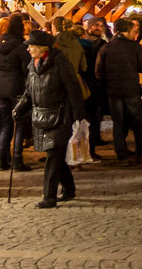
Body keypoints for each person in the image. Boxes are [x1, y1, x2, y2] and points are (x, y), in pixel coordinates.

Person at [14, 29, 86, 208]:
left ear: (42, 47)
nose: (28, 49)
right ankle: (69, 189)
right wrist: (19, 108)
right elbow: (29, 91)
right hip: (40, 116)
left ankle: (49, 197)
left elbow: (73, 89)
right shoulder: (33, 64)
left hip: (59, 116)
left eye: (31, 46)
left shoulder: (60, 62)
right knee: (56, 156)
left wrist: (79, 116)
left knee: (53, 156)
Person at [96, 17, 142, 165]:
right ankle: (141, 151)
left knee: (118, 122)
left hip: (113, 91)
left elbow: (99, 71)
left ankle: (121, 154)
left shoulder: (106, 48)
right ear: (127, 30)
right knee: (137, 121)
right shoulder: (134, 47)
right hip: (131, 90)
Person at [0, 16, 31, 171]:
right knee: (18, 124)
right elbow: (26, 69)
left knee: (6, 124)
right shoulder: (21, 45)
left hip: (0, 87)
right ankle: (18, 159)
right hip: (17, 87)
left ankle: (2, 158)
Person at [79, 15, 108, 160]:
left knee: (95, 118)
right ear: (88, 26)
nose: (98, 28)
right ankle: (83, 150)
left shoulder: (103, 44)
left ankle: (92, 147)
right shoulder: (80, 44)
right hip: (83, 84)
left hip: (96, 86)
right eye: (95, 25)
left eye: (101, 25)